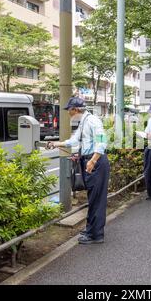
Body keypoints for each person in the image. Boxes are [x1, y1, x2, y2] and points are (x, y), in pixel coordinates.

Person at [47, 97, 109, 244]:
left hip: (96, 162)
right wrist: (57, 144)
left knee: (97, 200)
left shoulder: (93, 121)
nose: (68, 113)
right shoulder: (84, 122)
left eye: (69, 110)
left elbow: (102, 142)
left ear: (75, 109)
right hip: (90, 161)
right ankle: (90, 229)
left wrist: (93, 161)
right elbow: (74, 140)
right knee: (92, 198)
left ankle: (96, 235)